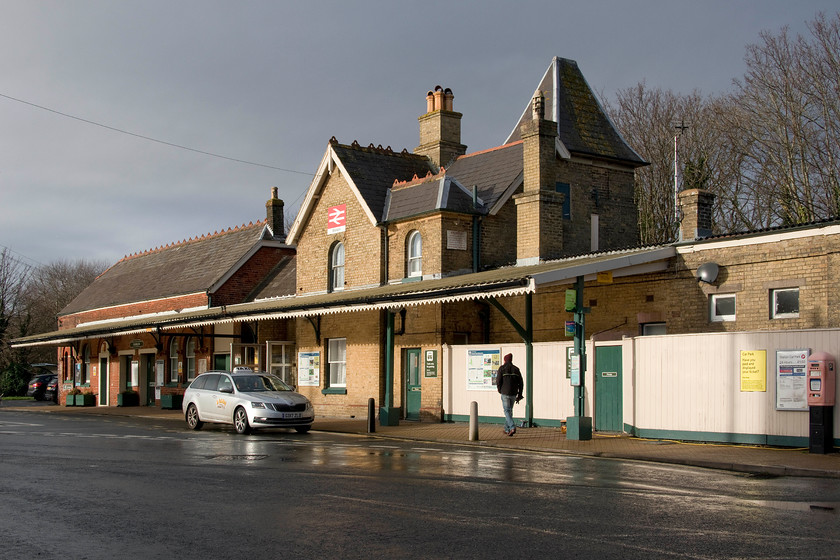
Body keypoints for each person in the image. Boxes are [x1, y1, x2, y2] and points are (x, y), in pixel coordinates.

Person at [496, 353, 523, 436]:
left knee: (507, 411)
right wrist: (520, 394)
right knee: (509, 411)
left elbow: (498, 381)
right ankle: (507, 429)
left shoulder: (502, 368)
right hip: (514, 393)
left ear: (505, 360)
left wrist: (500, 389)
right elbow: (521, 383)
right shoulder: (516, 369)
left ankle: (512, 427)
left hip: (505, 392)